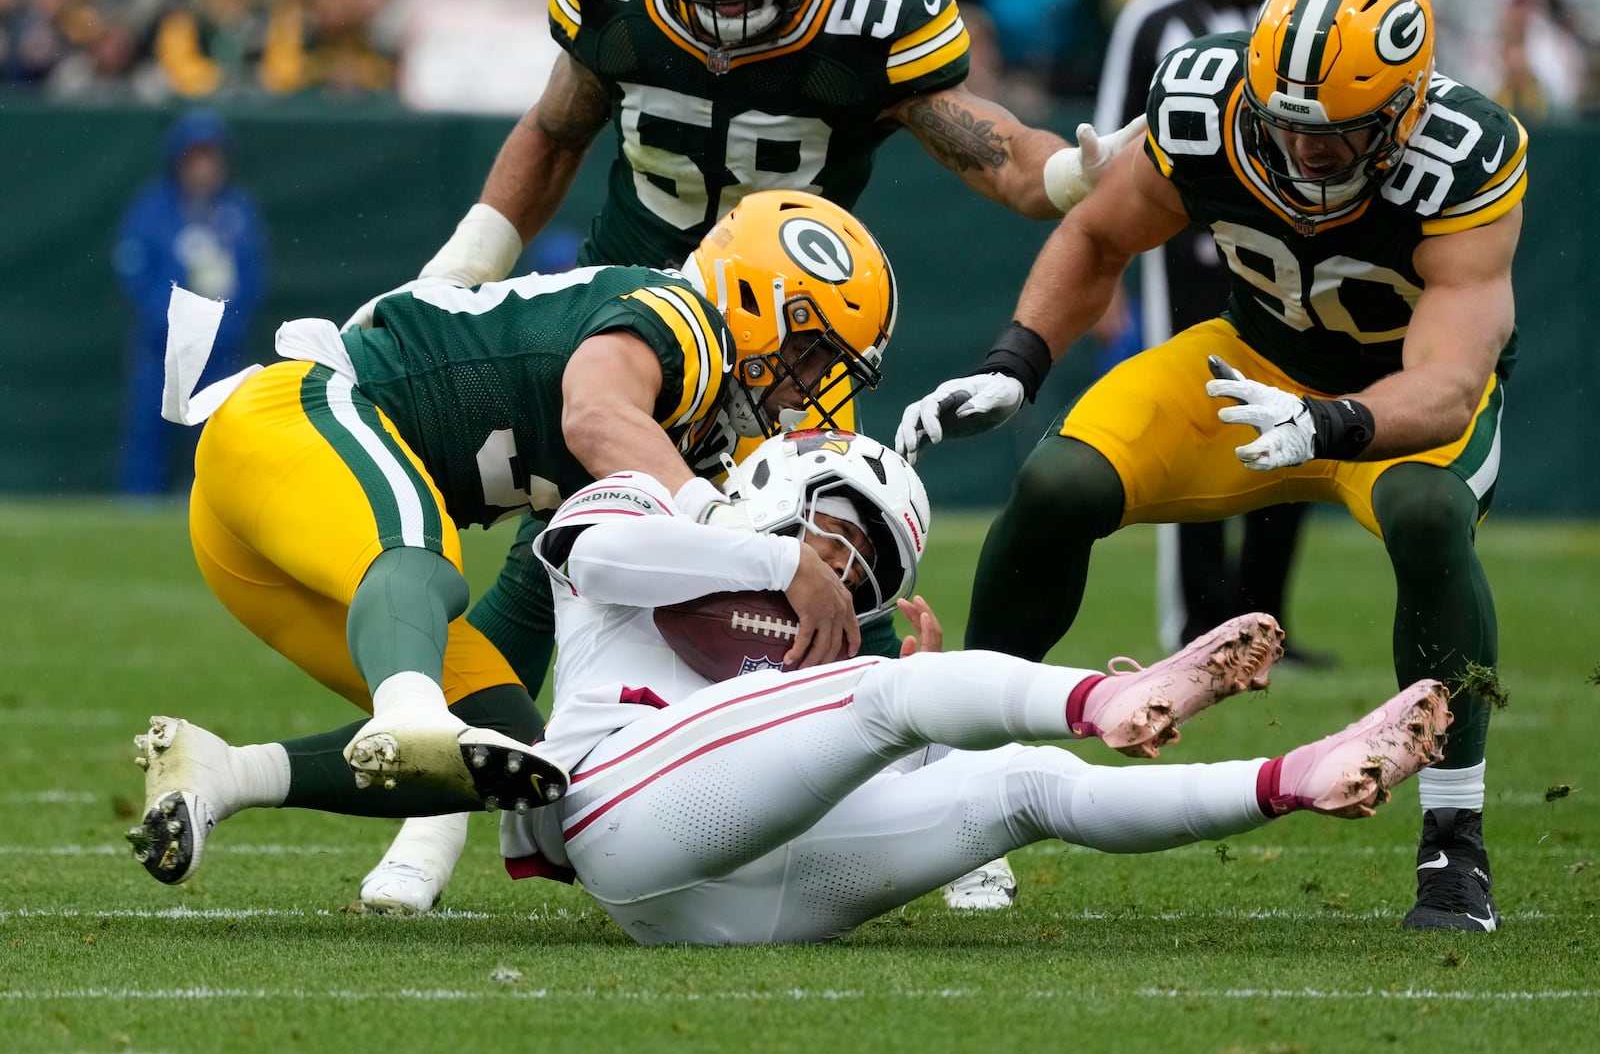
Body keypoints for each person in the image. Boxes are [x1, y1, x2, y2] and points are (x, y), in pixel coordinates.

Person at [347, 0, 1147, 913]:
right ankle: (432, 820)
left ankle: (949, 788)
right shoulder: (624, 9)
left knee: (838, 561)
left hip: (789, 336)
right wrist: (455, 272)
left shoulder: (863, 19)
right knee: (554, 555)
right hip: (646, 320)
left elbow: (994, 148)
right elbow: (555, 129)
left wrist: (1068, 178)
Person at [131, 427, 1452, 942]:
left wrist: (876, 640)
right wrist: (792, 554)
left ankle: (1294, 775)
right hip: (622, 812)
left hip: (737, 901)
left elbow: (854, 737)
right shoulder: (649, 503)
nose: (845, 574)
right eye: (840, 531)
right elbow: (583, 546)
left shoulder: (819, 636)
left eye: (866, 562)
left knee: (1024, 787)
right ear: (772, 490)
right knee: (891, 704)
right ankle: (1107, 695)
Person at [896, 0, 1522, 933]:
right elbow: (1101, 231)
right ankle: (969, 789)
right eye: (1287, 121)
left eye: (1337, 131)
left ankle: (1453, 842)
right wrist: (1014, 365)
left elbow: (1449, 379)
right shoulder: (1208, 100)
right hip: (1250, 362)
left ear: (1404, 111)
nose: (1307, 148)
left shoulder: (1465, 155)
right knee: (1059, 483)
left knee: (1433, 518)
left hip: (1392, 395)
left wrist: (1333, 421)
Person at [128, 190, 896, 887]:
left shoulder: (690, 437)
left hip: (259, 542)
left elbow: (569, 601)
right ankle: (410, 705)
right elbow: (592, 415)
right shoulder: (682, 323)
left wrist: (882, 669)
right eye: (811, 352)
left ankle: (223, 773)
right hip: (296, 416)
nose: (807, 385)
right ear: (758, 298)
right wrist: (737, 535)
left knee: (520, 761)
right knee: (424, 557)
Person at [1093, 0, 1334, 665]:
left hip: (1289, 260)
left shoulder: (1305, 17)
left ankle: (1265, 619)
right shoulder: (1155, 19)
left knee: (1292, 422)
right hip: (1187, 261)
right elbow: (1112, 143)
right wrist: (1107, 275)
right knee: (1192, 430)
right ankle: (1197, 623)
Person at [112, 109, 267, 497]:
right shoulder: (152, 207)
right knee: (148, 427)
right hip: (161, 347)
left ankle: (215, 509)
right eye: (193, 157)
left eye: (209, 157)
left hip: (221, 348)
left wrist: (223, 325)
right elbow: (133, 268)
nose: (202, 168)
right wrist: (168, 321)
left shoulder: (239, 211)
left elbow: (252, 276)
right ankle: (139, 503)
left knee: (217, 436)